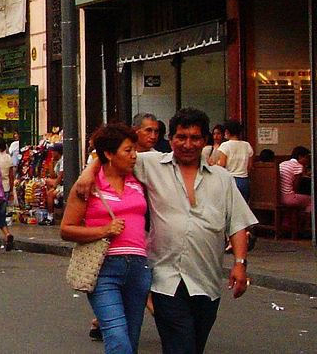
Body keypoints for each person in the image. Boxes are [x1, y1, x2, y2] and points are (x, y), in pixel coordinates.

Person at [73, 108, 256, 354]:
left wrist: (240, 263)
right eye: (181, 137)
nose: (187, 144)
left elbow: (237, 223)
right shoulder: (152, 164)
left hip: (206, 280)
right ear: (170, 139)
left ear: (205, 141)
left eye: (194, 138)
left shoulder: (222, 178)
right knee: (178, 345)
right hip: (165, 279)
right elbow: (113, 153)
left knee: (194, 345)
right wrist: (89, 171)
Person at [61, 123, 150, 354]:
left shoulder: (139, 178)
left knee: (131, 338)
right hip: (104, 270)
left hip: (139, 268)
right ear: (110, 154)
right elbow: (66, 229)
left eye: (134, 150)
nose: (134, 156)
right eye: (128, 150)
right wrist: (104, 230)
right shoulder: (88, 186)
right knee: (117, 338)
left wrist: (91, 166)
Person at [279, 146, 312, 213]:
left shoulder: (283, 163)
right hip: (288, 199)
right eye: (306, 158)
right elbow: (296, 187)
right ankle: (305, 222)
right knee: (312, 200)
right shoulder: (298, 166)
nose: (307, 160)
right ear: (300, 157)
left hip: (278, 197)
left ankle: (287, 220)